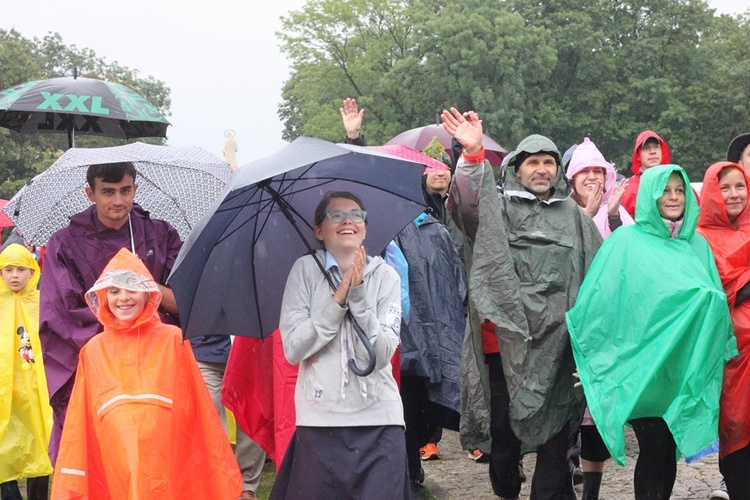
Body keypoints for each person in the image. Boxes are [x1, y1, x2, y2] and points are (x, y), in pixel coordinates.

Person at [442, 107, 602, 499]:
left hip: (557, 352)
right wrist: (474, 155)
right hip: (503, 348)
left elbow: (601, 276)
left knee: (553, 442)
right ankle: (507, 488)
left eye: (549, 162)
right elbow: (466, 206)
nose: (542, 169)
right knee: (503, 441)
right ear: (517, 168)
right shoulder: (497, 207)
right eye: (533, 162)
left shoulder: (577, 219)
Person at [567, 165, 736, 498]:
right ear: (650, 195)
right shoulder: (626, 241)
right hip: (643, 372)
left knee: (667, 447)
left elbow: (713, 305)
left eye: (679, 190)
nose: (673, 197)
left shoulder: (696, 245)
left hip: (679, 371)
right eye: (665, 190)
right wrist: (595, 363)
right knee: (654, 444)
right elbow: (601, 303)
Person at [51, 248, 242, 498]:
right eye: (115, 291)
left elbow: (195, 405)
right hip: (115, 456)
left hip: (166, 454)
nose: (123, 298)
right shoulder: (94, 351)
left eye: (132, 288)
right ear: (103, 297)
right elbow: (81, 419)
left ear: (148, 293)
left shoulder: (172, 340)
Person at [39, 161, 182, 463]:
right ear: (90, 193)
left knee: (156, 454)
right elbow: (61, 316)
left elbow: (183, 301)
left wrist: (142, 285)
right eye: (108, 192)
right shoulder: (64, 244)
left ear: (135, 189)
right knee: (103, 456)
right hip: (98, 366)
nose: (118, 201)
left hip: (154, 363)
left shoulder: (160, 235)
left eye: (125, 190)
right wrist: (117, 337)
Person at [270, 191, 409, 499]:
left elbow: (383, 353)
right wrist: (337, 300)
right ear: (319, 231)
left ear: (365, 227)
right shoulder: (304, 271)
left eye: (356, 214)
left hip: (380, 419)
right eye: (336, 215)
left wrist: (357, 293)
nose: (348, 220)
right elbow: (293, 349)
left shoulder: (386, 277)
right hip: (321, 421)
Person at [565, 138, 634, 499]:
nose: (592, 177)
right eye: (584, 172)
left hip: (608, 330)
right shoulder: (561, 211)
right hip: (567, 327)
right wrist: (587, 216)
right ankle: (561, 481)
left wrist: (608, 215)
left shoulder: (619, 214)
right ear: (572, 178)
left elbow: (630, 260)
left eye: (598, 171)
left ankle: (591, 491)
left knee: (597, 415)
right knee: (565, 412)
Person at [697, 161, 750, 500]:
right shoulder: (700, 238)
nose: (734, 194)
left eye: (740, 186)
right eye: (725, 187)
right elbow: (701, 293)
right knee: (734, 429)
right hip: (730, 356)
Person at [0, 244, 52, 500]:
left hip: (35, 384)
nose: (14, 276)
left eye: (21, 269)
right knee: (4, 437)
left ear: (33, 272)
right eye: (8, 269)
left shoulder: (42, 302)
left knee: (38, 438)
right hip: (4, 386)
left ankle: (38, 494)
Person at [190, 335, 267, 500]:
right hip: (206, 352)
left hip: (249, 351)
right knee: (209, 418)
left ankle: (247, 487)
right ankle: (220, 480)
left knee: (252, 417)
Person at [620, 130, 671, 218]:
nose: (652, 152)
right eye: (646, 148)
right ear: (638, 156)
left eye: (656, 147)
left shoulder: (677, 180)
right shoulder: (627, 189)